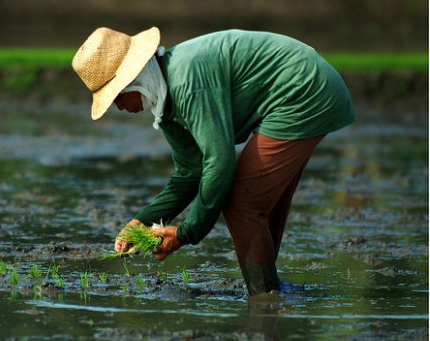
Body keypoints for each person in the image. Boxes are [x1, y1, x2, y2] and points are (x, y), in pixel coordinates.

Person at [71, 27, 355, 296]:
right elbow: (190, 173)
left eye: (116, 98)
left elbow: (219, 163)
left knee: (242, 202)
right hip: (296, 90)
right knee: (259, 203)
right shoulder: (165, 98)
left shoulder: (186, 83)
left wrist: (184, 234)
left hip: (303, 90)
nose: (118, 107)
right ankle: (270, 293)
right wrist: (141, 222)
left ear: (133, 81)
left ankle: (264, 296)